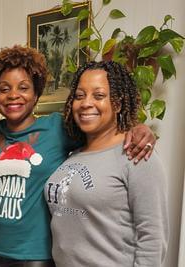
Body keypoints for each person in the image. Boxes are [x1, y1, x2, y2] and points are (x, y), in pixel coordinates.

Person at [0, 45, 156, 267]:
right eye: (4, 89)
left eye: (23, 87)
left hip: (36, 256)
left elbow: (104, 130)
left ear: (36, 94)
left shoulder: (58, 129)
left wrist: (138, 128)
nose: (13, 95)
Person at [45, 61, 168, 266]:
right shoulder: (72, 154)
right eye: (79, 95)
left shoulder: (136, 156)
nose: (86, 103)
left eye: (99, 95)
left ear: (118, 104)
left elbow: (153, 239)